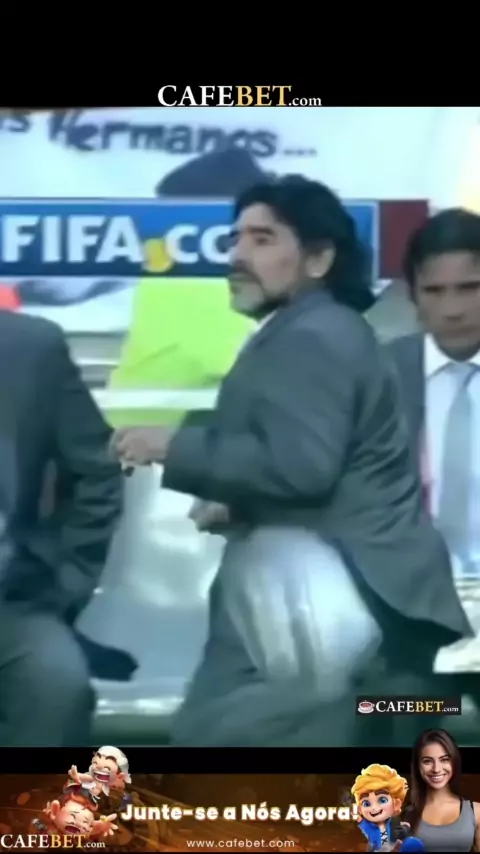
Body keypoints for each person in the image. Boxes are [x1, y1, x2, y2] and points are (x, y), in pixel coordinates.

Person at [112, 176, 471, 747]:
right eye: (236, 239)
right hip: (325, 601)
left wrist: (172, 446)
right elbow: (318, 462)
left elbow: (301, 467)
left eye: (262, 240)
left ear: (319, 259)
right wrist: (240, 503)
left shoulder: (314, 336)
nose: (238, 255)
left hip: (330, 607)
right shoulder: (310, 330)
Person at [0, 310, 123, 745]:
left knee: (57, 686)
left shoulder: (29, 346)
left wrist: (67, 580)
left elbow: (98, 469)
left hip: (12, 601)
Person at [387, 209, 480, 580]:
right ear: (412, 296)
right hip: (404, 588)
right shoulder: (378, 375)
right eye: (434, 291)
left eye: (470, 288)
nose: (452, 310)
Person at [405, 727, 480, 851]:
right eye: (427, 761)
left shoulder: (476, 812)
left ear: (454, 762)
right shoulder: (402, 813)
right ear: (418, 766)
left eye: (444, 760)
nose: (436, 769)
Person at [351, 763, 423, 851]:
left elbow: (402, 831)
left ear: (396, 804)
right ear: (360, 809)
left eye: (382, 800)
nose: (374, 808)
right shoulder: (372, 830)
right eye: (366, 803)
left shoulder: (396, 825)